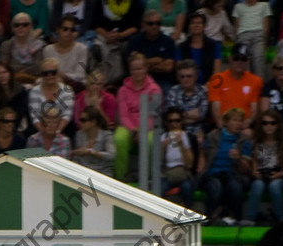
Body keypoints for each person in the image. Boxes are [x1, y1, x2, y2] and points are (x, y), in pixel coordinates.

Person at [114, 51, 162, 180]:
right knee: (119, 139)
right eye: (134, 69)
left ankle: (147, 178)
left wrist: (142, 130)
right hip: (129, 126)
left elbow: (154, 115)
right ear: (130, 70)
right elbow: (123, 115)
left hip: (149, 127)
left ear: (146, 68)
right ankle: (120, 177)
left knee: (151, 141)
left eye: (140, 68)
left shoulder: (154, 89)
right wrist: (134, 130)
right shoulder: (123, 90)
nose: (137, 72)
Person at [200, 107, 251, 225]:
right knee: (216, 186)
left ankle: (236, 219)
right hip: (213, 172)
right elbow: (203, 153)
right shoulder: (213, 136)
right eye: (235, 120)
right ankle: (209, 218)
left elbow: (246, 168)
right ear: (226, 122)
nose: (238, 124)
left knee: (235, 187)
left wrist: (239, 159)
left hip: (235, 174)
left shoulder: (245, 140)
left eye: (240, 121)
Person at [245, 110, 283, 224]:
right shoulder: (256, 143)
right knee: (257, 185)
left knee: (274, 187)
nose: (269, 126)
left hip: (279, 176)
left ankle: (281, 220)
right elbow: (254, 163)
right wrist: (255, 172)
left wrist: (277, 175)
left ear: (278, 125)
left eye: (272, 123)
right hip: (262, 175)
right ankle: (250, 219)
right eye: (265, 123)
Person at [207, 44, 262, 132]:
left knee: (248, 134)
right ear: (230, 59)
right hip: (223, 126)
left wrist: (248, 122)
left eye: (243, 59)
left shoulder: (256, 81)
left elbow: (254, 109)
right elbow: (215, 108)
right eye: (236, 58)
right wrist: (222, 124)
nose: (239, 62)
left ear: (248, 61)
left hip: (244, 126)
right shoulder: (217, 79)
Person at [125, 9, 176, 93]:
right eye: (150, 23)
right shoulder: (134, 40)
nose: (154, 26)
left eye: (157, 23)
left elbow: (168, 67)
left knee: (166, 91)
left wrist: (144, 64)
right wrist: (157, 60)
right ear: (143, 25)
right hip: (138, 79)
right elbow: (132, 65)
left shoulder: (168, 41)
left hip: (162, 80)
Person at [43, 14, 91, 88]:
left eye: (72, 30)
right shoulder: (48, 50)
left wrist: (64, 76)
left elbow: (80, 75)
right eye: (65, 29)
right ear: (57, 29)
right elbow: (47, 73)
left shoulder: (82, 49)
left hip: (75, 86)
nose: (68, 33)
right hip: (54, 85)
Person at [28, 56, 74, 132]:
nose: (49, 76)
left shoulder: (67, 90)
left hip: (63, 130)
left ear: (58, 73)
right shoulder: (34, 91)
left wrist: (56, 133)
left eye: (53, 72)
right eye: (45, 73)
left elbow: (67, 115)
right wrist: (45, 134)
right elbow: (35, 117)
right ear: (41, 75)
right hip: (40, 130)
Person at [160, 107, 194, 206]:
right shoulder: (162, 137)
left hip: (182, 173)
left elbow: (189, 164)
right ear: (166, 123)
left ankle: (189, 216)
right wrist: (163, 148)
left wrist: (181, 145)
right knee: (160, 188)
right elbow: (158, 164)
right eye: (170, 121)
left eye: (177, 120)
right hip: (167, 173)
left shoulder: (187, 136)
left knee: (187, 187)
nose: (174, 124)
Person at [175, 11, 221, 84]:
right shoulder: (181, 47)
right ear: (189, 26)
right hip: (186, 84)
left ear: (204, 26)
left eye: (199, 23)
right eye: (193, 23)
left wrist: (210, 85)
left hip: (208, 85)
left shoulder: (214, 45)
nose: (196, 25)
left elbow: (217, 71)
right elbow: (179, 71)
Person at [0, 11, 44, 84]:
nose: (20, 27)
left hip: (34, 80)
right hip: (12, 81)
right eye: (16, 25)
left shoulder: (38, 45)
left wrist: (22, 73)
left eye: (25, 25)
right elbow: (3, 68)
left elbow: (38, 67)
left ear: (30, 27)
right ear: (12, 28)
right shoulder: (6, 45)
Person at [232, 0, 271, 80]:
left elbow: (266, 25)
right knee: (243, 59)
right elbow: (236, 26)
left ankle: (259, 85)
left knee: (258, 59)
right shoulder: (238, 7)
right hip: (243, 35)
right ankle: (245, 85)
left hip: (258, 35)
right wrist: (238, 41)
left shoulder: (264, 5)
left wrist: (265, 41)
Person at [71, 105, 115, 174]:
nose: (80, 123)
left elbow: (111, 155)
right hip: (83, 172)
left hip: (102, 172)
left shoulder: (107, 135)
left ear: (93, 122)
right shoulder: (79, 134)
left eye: (83, 120)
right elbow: (78, 156)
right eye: (80, 120)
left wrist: (91, 151)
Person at [0, 60, 29, 131]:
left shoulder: (20, 91)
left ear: (10, 73)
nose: (2, 76)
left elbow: (20, 112)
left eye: (5, 72)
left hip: (17, 127)